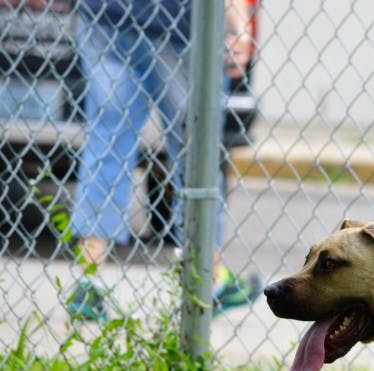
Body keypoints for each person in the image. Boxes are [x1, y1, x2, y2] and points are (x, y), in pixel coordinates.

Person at [66, 0, 259, 321]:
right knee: (195, 148)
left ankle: (89, 281)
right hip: (176, 24)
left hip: (105, 15)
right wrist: (238, 24)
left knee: (107, 142)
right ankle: (208, 281)